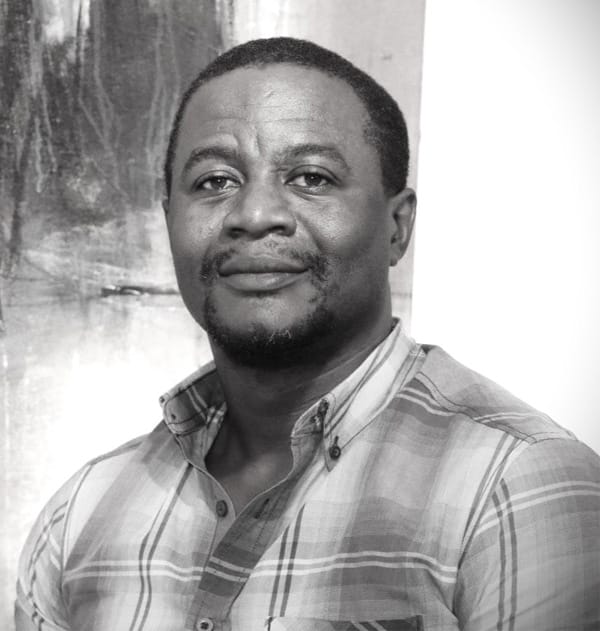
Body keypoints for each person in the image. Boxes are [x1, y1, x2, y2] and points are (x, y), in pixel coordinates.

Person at [16, 37, 600, 631]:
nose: (254, 214)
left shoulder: (516, 486)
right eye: (215, 181)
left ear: (397, 227)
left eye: (311, 178)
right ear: (169, 220)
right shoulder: (79, 519)